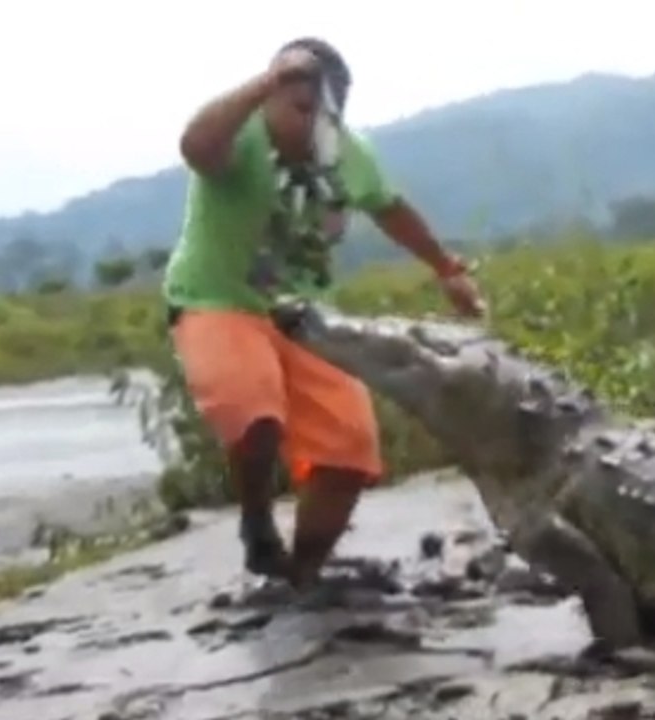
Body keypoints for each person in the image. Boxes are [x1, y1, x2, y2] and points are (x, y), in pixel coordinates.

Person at [161, 37, 486, 595]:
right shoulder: (235, 137)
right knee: (254, 408)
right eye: (299, 108)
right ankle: (257, 527)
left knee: (350, 450)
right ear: (271, 96)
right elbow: (194, 146)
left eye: (323, 112)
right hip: (216, 300)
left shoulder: (348, 154)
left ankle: (300, 576)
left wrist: (446, 268)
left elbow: (390, 207)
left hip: (302, 313)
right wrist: (269, 81)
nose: (310, 124)